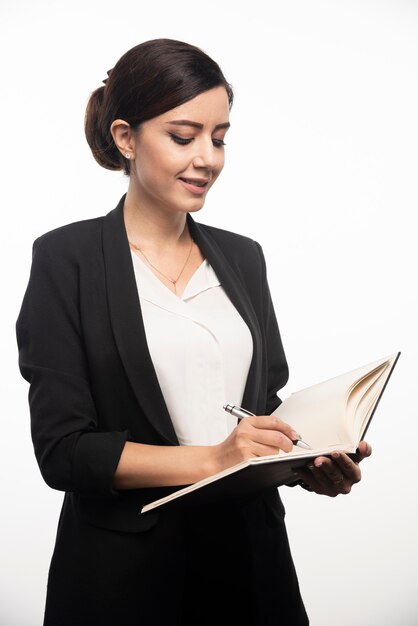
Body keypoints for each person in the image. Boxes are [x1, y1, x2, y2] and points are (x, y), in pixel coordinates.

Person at [16, 38, 371, 626]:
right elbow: (64, 453)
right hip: (123, 578)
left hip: (251, 568)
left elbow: (260, 406)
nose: (207, 158)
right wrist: (215, 459)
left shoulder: (242, 257)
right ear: (126, 138)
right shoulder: (66, 259)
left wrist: (305, 457)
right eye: (183, 137)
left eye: (220, 137)